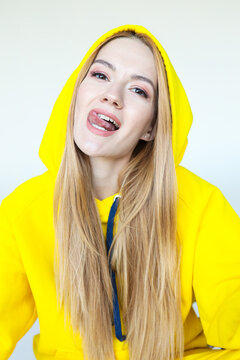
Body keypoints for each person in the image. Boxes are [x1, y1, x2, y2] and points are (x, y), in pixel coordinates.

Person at [0, 24, 239, 360]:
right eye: (100, 75)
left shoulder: (200, 204)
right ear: (77, 91)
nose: (112, 95)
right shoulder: (20, 212)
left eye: (139, 91)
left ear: (152, 127)